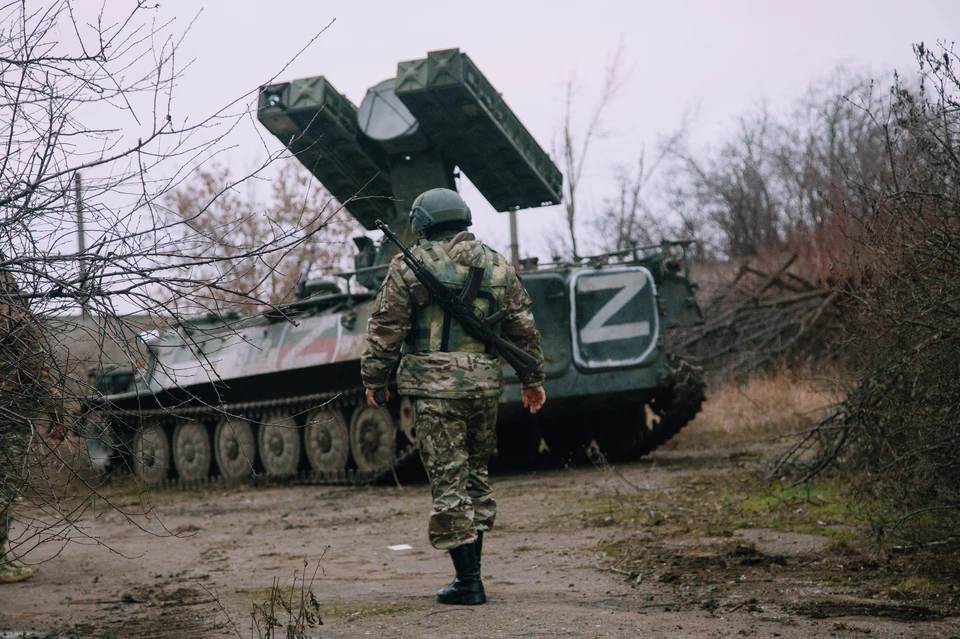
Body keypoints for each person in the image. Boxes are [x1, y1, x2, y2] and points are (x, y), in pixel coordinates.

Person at [361, 188, 546, 606]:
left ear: (423, 223)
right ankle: (471, 576)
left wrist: (375, 379)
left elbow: (386, 328)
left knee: (449, 480)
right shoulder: (497, 264)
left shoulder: (409, 265)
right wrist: (532, 379)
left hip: (434, 389)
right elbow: (524, 329)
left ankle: (469, 583)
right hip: (483, 386)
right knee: (475, 475)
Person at [0, 266, 65, 583]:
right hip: (9, 417)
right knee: (5, 489)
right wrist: (55, 409)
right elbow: (34, 366)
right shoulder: (14, 319)